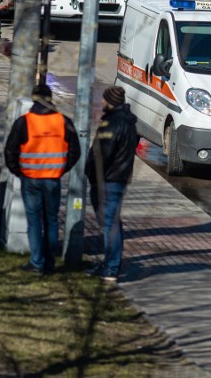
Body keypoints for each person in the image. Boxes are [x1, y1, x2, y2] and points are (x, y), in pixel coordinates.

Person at [4, 84, 81, 275]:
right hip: (52, 179)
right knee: (52, 220)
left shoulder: (24, 122)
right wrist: (62, 169)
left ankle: (37, 262)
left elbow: (10, 151)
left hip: (30, 179)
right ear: (50, 98)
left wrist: (19, 171)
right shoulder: (63, 121)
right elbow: (75, 151)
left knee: (34, 220)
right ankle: (50, 262)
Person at [86, 86, 140, 283]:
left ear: (110, 101)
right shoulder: (128, 122)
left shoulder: (112, 123)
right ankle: (110, 263)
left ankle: (111, 268)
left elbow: (103, 155)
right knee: (111, 223)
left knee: (111, 224)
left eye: (104, 99)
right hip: (119, 179)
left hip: (107, 180)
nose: (101, 102)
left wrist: (91, 173)